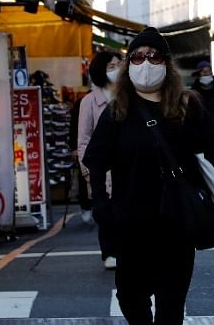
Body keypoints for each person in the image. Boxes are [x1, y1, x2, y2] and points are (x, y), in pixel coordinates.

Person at [83, 28, 214, 325]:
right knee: (130, 295)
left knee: (171, 302)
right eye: (138, 57)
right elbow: (96, 161)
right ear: (129, 64)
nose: (146, 63)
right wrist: (100, 203)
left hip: (177, 222)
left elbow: (213, 146)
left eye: (154, 56)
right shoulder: (117, 111)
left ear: (167, 64)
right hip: (131, 221)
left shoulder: (187, 105)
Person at [78, 50, 123, 270]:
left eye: (118, 65)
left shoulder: (128, 98)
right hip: (101, 167)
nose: (116, 70)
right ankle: (110, 251)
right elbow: (84, 139)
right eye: (111, 66)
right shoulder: (89, 102)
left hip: (127, 164)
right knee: (105, 209)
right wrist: (87, 172)